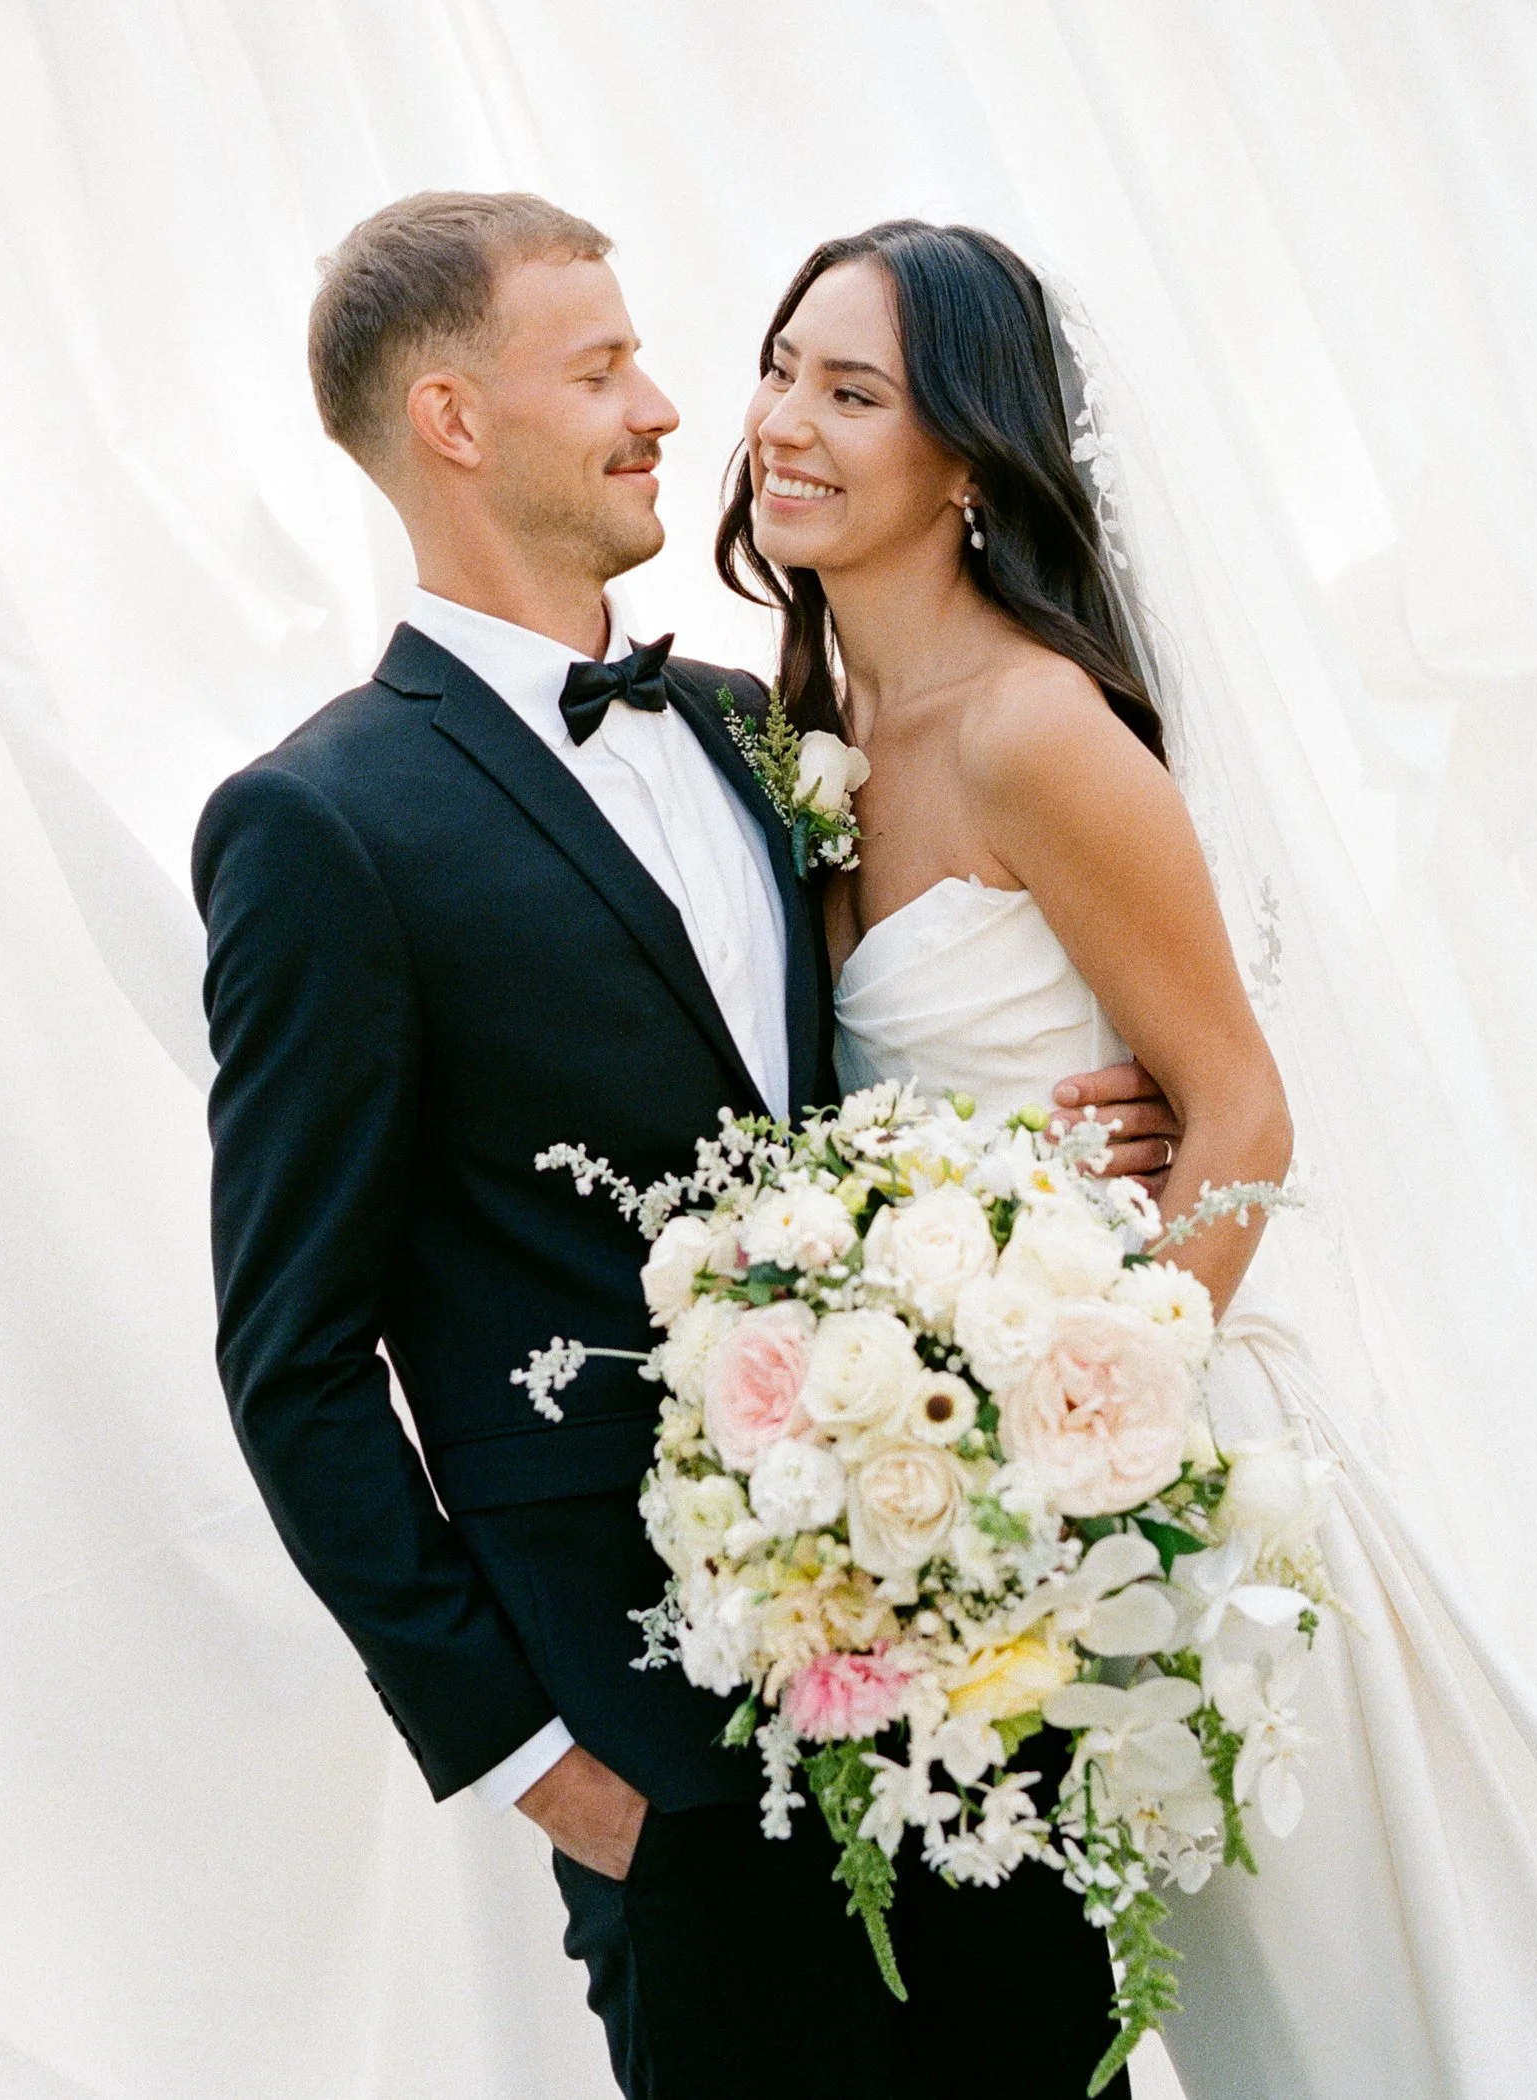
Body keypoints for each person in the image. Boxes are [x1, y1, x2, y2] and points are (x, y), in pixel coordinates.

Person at [191, 192, 1181, 2100]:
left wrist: (1080, 1160)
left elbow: (892, 1096)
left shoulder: (759, 732)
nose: (669, 406)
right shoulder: (320, 827)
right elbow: (291, 1358)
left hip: (974, 1679)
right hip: (665, 1760)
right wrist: (540, 1765)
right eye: (604, 366)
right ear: (458, 420)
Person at [717, 217, 1537, 2100]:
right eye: (782, 369)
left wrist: (1082, 1440)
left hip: (1184, 1508)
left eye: (852, 392)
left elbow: (1240, 1111)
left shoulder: (1040, 726)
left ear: (968, 455)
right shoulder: (810, 735)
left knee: (1350, 2018)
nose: (784, 424)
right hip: (991, 1540)